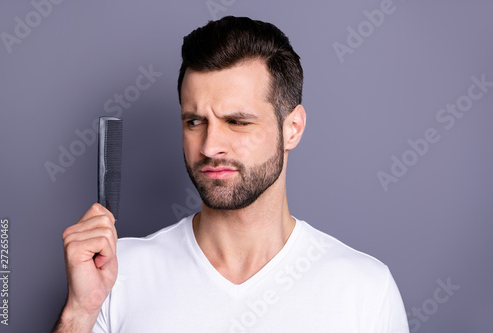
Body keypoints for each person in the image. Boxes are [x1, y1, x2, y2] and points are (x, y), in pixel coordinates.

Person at [54, 16, 409, 333]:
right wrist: (80, 313)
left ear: (293, 128)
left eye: (237, 122)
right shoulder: (117, 273)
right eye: (195, 122)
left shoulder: (364, 290)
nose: (210, 146)